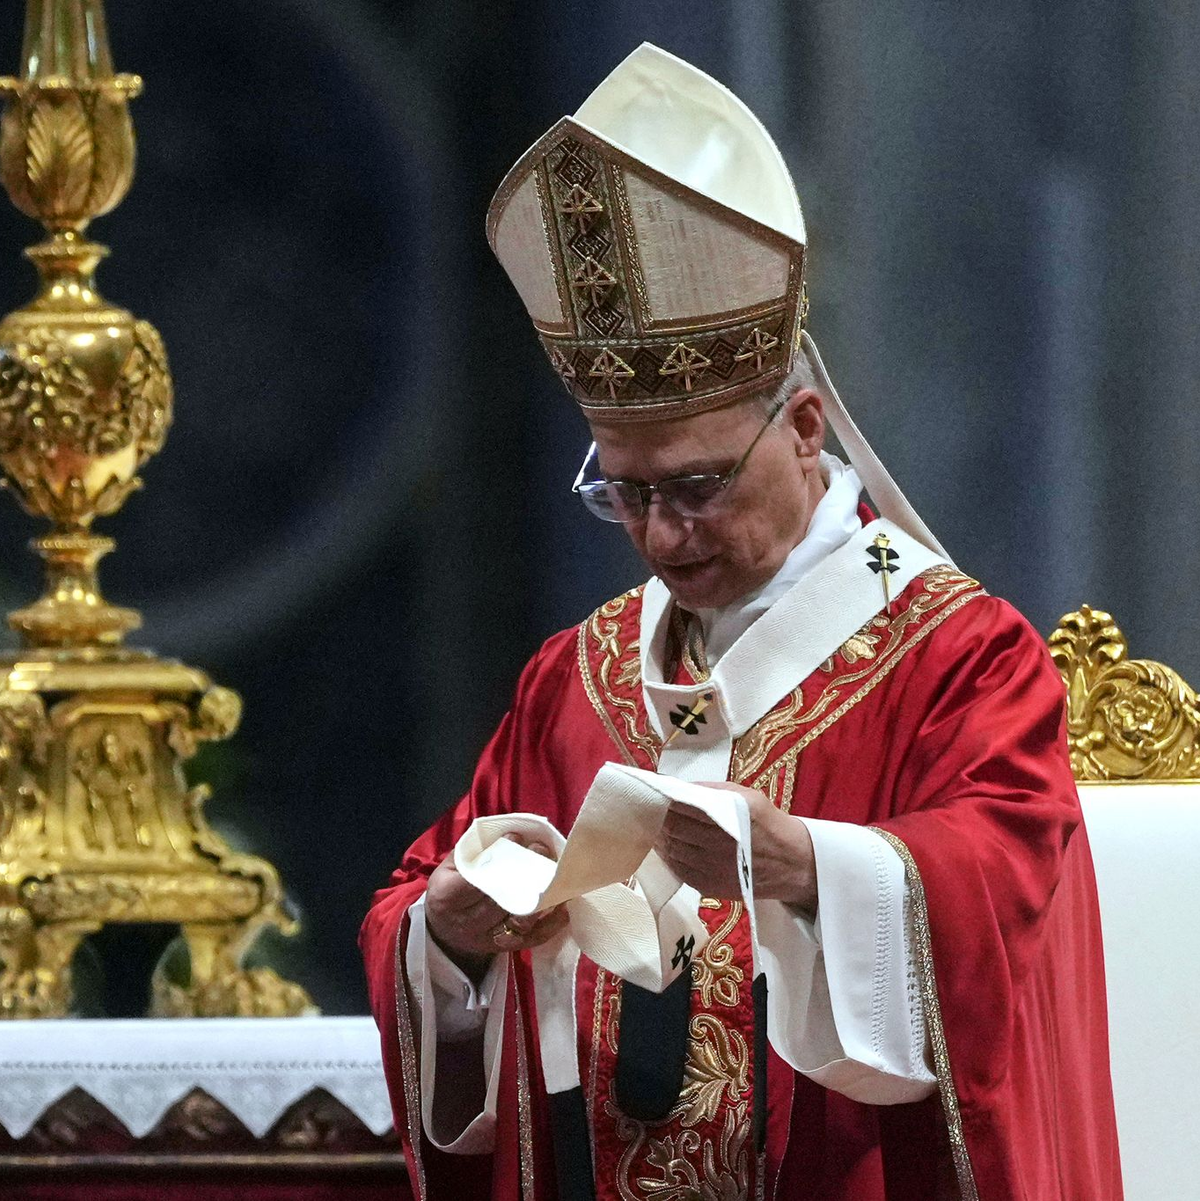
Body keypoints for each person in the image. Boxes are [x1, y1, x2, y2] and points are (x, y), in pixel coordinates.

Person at [361, 43, 1122, 1201]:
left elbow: (1005, 898)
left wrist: (808, 864)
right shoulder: (579, 678)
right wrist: (450, 934)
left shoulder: (958, 657)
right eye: (625, 492)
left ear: (806, 426)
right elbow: (420, 897)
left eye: (701, 485)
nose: (665, 535)